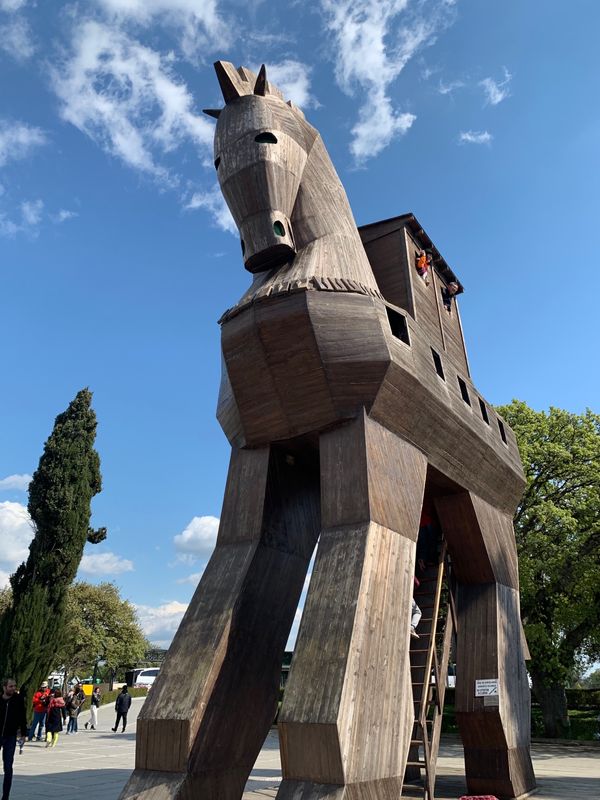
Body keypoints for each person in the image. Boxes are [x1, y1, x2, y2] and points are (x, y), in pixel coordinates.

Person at [0, 677, 28, 800]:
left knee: (8, 767)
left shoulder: (18, 700)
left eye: (14, 686)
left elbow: (23, 717)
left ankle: (5, 796)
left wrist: (24, 734)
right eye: (11, 686)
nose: (13, 688)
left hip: (10, 737)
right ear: (4, 687)